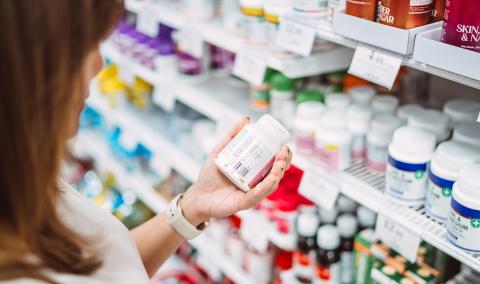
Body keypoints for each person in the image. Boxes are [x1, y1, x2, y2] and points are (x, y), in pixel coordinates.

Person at [0, 1, 292, 283]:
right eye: (85, 47)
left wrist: (193, 206)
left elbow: (113, 270)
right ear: (27, 70)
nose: (98, 65)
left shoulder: (23, 188)